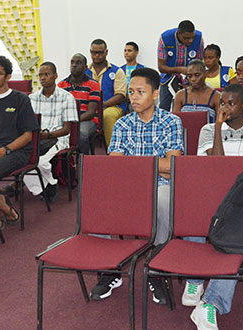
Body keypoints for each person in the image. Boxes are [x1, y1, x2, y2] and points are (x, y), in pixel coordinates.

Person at [89, 67, 183, 305]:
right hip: (127, 187)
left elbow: (172, 169)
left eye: (140, 92)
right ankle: (110, 268)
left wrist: (136, 164)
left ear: (155, 93)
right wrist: (154, 164)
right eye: (131, 92)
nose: (133, 97)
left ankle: (156, 264)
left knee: (164, 200)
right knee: (96, 205)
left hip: (162, 185)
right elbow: (116, 168)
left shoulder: (172, 122)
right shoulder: (122, 125)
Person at [186, 84, 243, 330]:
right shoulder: (207, 129)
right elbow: (212, 167)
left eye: (231, 103)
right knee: (193, 213)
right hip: (211, 195)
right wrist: (217, 129)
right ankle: (194, 278)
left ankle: (210, 304)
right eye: (222, 103)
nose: (225, 108)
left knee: (240, 236)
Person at [0, 55, 39, 229]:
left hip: (17, 151)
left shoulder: (20, 99)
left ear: (8, 77)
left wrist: (4, 150)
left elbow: (27, 135)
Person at [26, 62, 78, 202]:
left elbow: (67, 130)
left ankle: (49, 183)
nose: (43, 78)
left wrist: (47, 135)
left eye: (46, 74)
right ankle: (45, 186)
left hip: (58, 138)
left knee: (40, 163)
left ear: (55, 76)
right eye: (40, 75)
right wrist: (38, 134)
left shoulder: (67, 98)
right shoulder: (32, 98)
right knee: (21, 162)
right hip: (37, 139)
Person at [86, 39, 127, 147]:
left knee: (107, 115)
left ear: (106, 52)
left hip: (112, 107)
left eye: (100, 52)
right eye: (94, 52)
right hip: (88, 108)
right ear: (90, 52)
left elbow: (120, 95)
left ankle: (113, 150)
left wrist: (102, 106)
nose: (97, 55)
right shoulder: (85, 71)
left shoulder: (117, 71)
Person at [57, 53, 101, 154]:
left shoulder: (93, 85)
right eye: (72, 62)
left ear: (85, 67)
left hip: (86, 120)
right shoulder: (61, 85)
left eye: (78, 63)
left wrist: (72, 121)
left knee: (81, 133)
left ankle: (83, 163)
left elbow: (91, 112)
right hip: (66, 120)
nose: (74, 65)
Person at [157, 20, 205, 111]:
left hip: (191, 79)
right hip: (168, 79)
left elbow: (199, 64)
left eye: (192, 38)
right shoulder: (165, 38)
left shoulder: (199, 38)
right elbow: (161, 67)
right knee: (163, 108)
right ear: (178, 33)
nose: (190, 41)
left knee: (191, 108)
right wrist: (180, 69)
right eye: (186, 38)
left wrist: (190, 74)